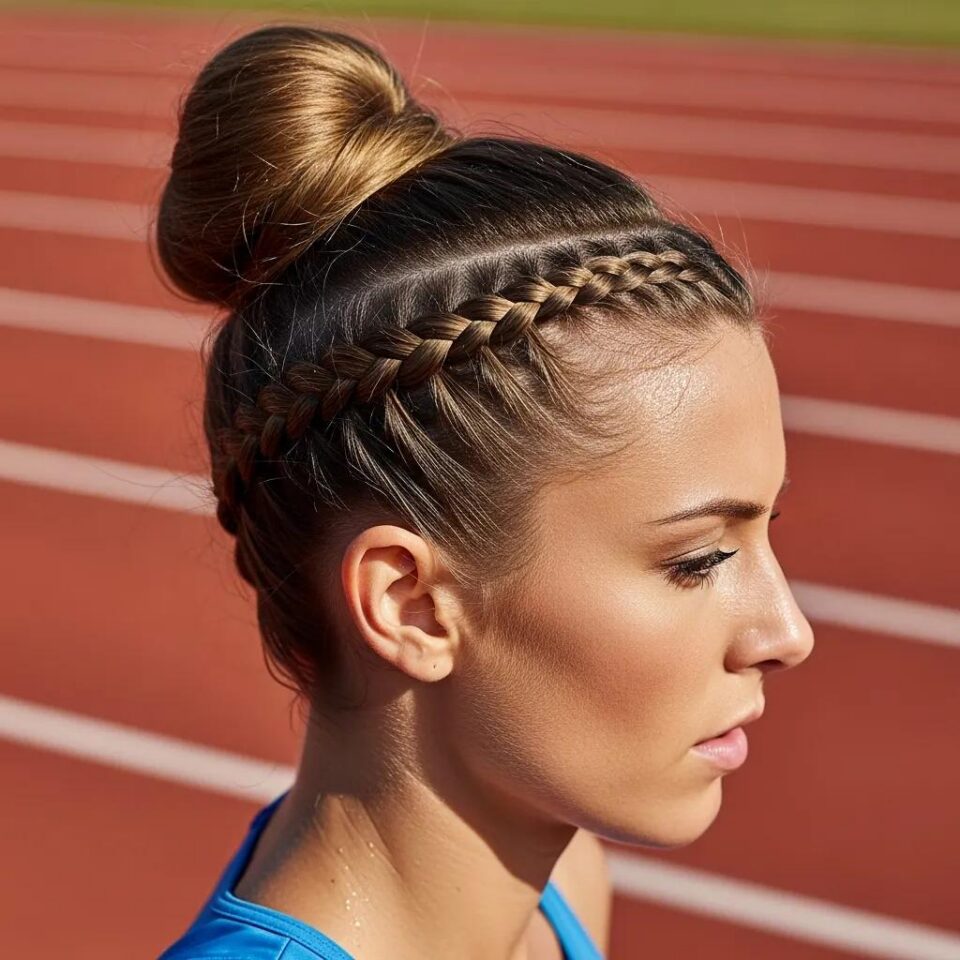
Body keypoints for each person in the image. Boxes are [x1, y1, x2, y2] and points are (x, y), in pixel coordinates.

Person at [153, 23, 815, 960]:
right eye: (698, 559)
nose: (787, 633)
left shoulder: (558, 886)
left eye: (764, 535)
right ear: (411, 603)